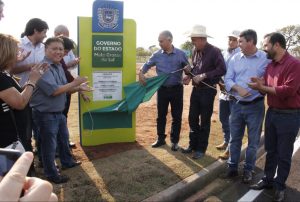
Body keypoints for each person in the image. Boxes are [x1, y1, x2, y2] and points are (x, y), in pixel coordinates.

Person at [30, 37, 92, 184]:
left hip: (58, 112)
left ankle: (67, 161)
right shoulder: (42, 68)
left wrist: (78, 88)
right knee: (48, 145)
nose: (58, 52)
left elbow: (65, 89)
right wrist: (75, 82)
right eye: (54, 49)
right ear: (46, 50)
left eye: (60, 49)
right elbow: (54, 91)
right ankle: (51, 174)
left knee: (63, 139)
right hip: (45, 114)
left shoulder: (58, 66)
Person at [248, 32, 300, 202]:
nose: (264, 49)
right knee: (271, 150)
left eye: (266, 45)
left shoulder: (294, 64)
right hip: (272, 113)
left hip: (289, 116)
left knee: (284, 154)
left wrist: (263, 87)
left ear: (276, 45)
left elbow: (288, 91)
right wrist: (260, 85)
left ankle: (279, 186)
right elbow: (268, 88)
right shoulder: (271, 65)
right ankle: (268, 179)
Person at [224, 29, 270, 183]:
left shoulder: (265, 59)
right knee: (234, 139)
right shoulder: (235, 58)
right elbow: (228, 79)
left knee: (253, 141)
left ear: (251, 42)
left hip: (256, 106)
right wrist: (238, 88)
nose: (238, 44)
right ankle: (232, 167)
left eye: (241, 41)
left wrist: (263, 87)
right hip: (236, 105)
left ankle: (248, 170)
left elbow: (272, 79)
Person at [181, 25, 226, 159]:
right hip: (196, 90)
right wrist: (189, 75)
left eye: (194, 40)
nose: (192, 42)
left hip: (208, 90)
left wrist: (205, 75)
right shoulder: (195, 50)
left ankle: (201, 149)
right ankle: (192, 145)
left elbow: (222, 69)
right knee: (192, 118)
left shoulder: (215, 51)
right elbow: (195, 68)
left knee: (204, 120)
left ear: (202, 39)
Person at [139, 30, 189, 151]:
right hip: (162, 89)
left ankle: (174, 141)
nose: (159, 43)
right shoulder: (157, 54)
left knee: (176, 116)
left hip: (177, 89)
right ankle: (160, 139)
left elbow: (188, 70)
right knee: (161, 115)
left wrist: (188, 71)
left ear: (169, 40)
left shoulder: (181, 54)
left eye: (161, 41)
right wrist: (140, 73)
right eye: (159, 41)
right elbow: (146, 65)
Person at [0, 33, 47, 149]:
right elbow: (20, 103)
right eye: (16, 52)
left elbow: (16, 94)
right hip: (7, 140)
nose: (18, 55)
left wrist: (33, 80)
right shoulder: (1, 77)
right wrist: (32, 80)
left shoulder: (4, 74)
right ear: (7, 53)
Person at [216, 30, 240, 160]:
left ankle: (230, 148)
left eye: (234, 39)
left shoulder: (242, 54)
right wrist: (220, 83)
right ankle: (226, 140)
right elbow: (219, 70)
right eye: (229, 39)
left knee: (234, 122)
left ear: (238, 41)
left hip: (235, 93)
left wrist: (230, 86)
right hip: (223, 92)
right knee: (222, 118)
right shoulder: (223, 53)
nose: (231, 41)